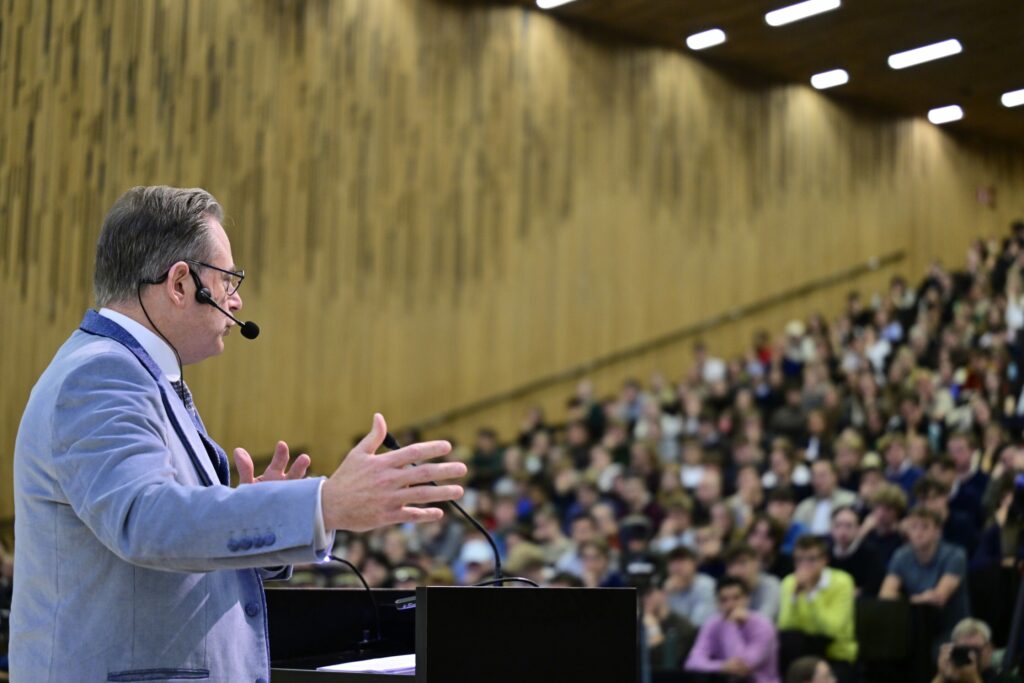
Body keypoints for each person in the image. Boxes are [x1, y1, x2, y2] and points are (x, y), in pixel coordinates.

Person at [10, 186, 467, 682]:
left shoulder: (138, 373)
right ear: (180, 283)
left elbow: (173, 542)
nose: (237, 299)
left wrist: (258, 509)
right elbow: (147, 522)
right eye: (227, 280)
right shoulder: (101, 375)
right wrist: (322, 504)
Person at [880, 506, 969, 644]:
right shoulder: (901, 555)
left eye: (925, 527)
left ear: (938, 531)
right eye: (913, 527)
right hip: (915, 625)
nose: (918, 533)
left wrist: (904, 601)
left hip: (950, 628)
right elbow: (885, 595)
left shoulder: (955, 555)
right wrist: (918, 599)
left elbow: (938, 598)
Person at [778, 536, 858, 668]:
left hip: (835, 654)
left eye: (811, 559)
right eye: (799, 560)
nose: (804, 566)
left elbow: (832, 630)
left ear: (824, 560)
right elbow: (785, 626)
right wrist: (794, 597)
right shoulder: (789, 582)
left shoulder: (842, 582)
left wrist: (811, 592)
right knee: (787, 641)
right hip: (801, 651)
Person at [684, 576, 781, 683]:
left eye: (736, 598)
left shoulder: (763, 625)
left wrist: (731, 626)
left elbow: (742, 667)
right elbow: (692, 662)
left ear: (747, 599)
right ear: (716, 603)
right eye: (723, 600)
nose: (730, 605)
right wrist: (722, 666)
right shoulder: (713, 624)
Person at [793, 461, 857, 536]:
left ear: (835, 477)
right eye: (814, 476)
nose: (817, 480)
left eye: (822, 475)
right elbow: (795, 533)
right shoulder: (804, 506)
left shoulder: (850, 500)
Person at [725, 543, 782, 621]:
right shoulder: (726, 590)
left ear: (756, 562)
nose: (737, 570)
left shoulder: (771, 585)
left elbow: (765, 620)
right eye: (732, 565)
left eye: (742, 563)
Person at [663, 546, 717, 627]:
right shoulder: (667, 589)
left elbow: (698, 624)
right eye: (673, 562)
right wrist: (664, 596)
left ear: (694, 563)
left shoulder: (706, 585)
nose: (676, 567)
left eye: (681, 561)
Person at [930, 618, 997, 683]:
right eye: (963, 650)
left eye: (975, 650)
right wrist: (942, 676)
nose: (970, 656)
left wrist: (974, 679)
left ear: (988, 650)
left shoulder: (996, 677)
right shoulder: (948, 672)